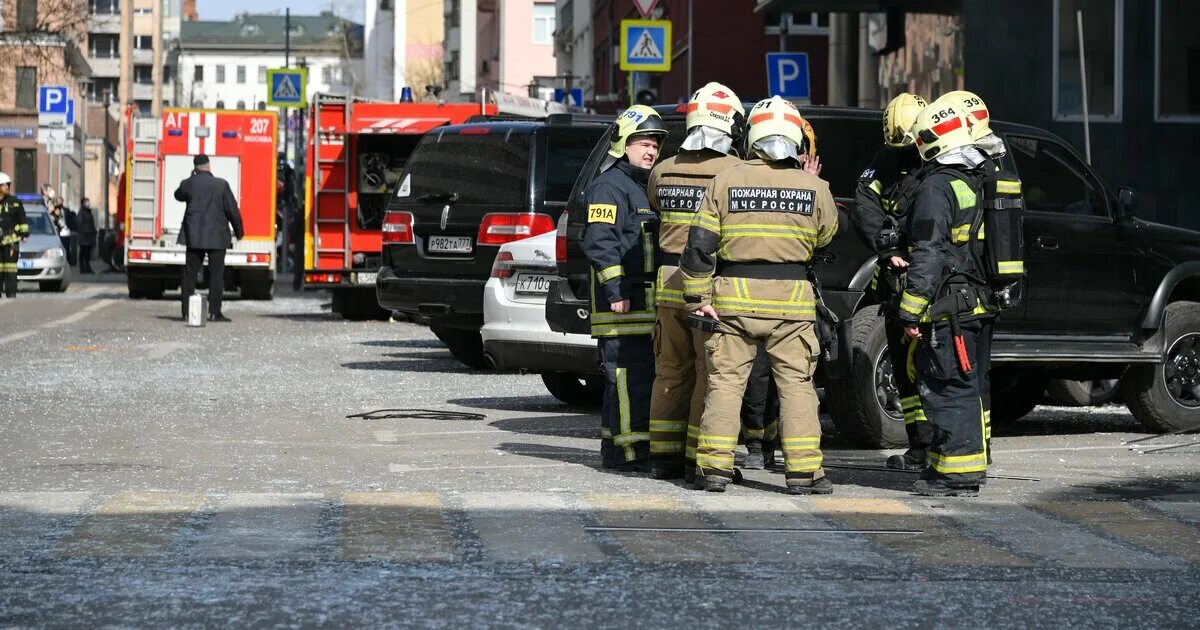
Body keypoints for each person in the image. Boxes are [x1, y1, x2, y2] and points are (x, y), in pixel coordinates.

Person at [680, 96, 838, 494]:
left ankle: (713, 469)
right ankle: (804, 473)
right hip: (791, 304)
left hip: (733, 300)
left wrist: (698, 298)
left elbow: (699, 246)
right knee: (797, 386)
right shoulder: (813, 186)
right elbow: (827, 235)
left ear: (752, 136)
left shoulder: (726, 179)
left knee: (725, 385)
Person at [898, 95, 1001, 497]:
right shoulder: (980, 179)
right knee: (970, 383)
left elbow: (928, 252)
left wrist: (910, 310)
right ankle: (960, 465)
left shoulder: (937, 188)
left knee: (948, 384)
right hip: (979, 301)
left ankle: (957, 473)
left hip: (948, 307)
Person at [645, 83, 746, 481]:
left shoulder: (663, 170)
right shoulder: (733, 172)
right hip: (710, 287)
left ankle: (662, 458)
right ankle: (695, 459)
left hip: (668, 284)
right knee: (709, 374)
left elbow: (656, 207)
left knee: (670, 371)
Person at [583, 105, 668, 472]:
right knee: (626, 380)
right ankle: (628, 454)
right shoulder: (608, 186)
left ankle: (620, 450)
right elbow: (600, 243)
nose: (650, 152)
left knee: (637, 379)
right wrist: (616, 291)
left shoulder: (641, 186)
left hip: (644, 305)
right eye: (644, 144)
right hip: (622, 306)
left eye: (654, 146)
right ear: (623, 144)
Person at [850, 92, 931, 471]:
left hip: (933, 284)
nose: (903, 154)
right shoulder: (888, 159)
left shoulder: (937, 163)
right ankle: (919, 446)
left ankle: (950, 449)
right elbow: (864, 200)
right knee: (903, 369)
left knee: (939, 369)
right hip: (898, 285)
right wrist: (885, 245)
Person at [175, 154, 244, 323]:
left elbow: (178, 195)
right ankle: (214, 312)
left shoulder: (189, 183)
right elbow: (232, 210)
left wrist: (192, 178)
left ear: (195, 167)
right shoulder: (221, 185)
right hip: (217, 237)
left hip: (194, 236)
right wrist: (239, 231)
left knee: (190, 274)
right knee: (216, 275)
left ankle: (186, 312)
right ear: (209, 166)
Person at [0, 173, 30, 298]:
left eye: (9, 184)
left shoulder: (15, 202)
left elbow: (22, 220)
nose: (7, 187)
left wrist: (24, 234)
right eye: (4, 185)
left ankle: (11, 293)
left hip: (11, 243)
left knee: (11, 269)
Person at [77, 198, 97, 274]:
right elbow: (79, 224)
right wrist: (85, 231)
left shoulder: (88, 212)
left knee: (87, 253)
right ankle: (82, 268)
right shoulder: (82, 212)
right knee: (83, 253)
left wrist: (94, 231)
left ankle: (87, 267)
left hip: (89, 237)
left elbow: (91, 223)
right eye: (86, 202)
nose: (88, 203)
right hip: (83, 237)